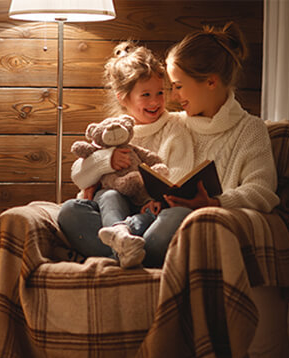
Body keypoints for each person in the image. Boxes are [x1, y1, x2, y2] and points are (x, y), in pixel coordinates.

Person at [58, 42, 195, 268]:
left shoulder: (175, 128)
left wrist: (156, 201)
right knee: (70, 211)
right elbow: (80, 177)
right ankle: (127, 252)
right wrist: (106, 161)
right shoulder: (111, 131)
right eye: (146, 95)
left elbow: (176, 177)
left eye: (160, 93)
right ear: (123, 97)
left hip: (151, 213)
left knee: (177, 217)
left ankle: (120, 253)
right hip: (111, 211)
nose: (155, 101)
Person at [163, 22, 278, 214]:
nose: (173, 96)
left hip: (207, 225)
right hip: (154, 220)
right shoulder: (172, 123)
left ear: (210, 81)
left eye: (179, 86)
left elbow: (262, 191)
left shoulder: (250, 130)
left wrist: (215, 203)